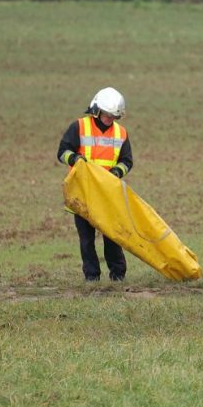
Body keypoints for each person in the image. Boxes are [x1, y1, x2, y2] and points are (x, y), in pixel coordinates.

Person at [57, 87, 133, 282]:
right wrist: (74, 158)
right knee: (87, 239)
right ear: (97, 110)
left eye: (113, 116)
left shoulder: (121, 133)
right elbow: (62, 152)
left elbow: (127, 161)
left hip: (108, 194)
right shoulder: (79, 127)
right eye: (107, 115)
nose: (109, 119)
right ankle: (92, 277)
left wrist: (117, 171)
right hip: (83, 193)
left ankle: (118, 275)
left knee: (112, 237)